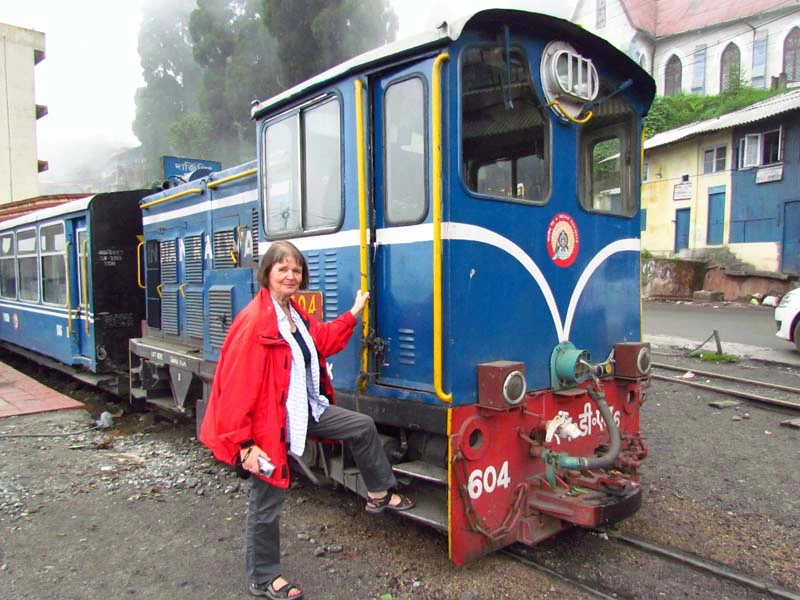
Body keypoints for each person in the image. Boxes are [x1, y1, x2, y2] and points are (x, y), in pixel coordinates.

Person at [199, 240, 414, 599]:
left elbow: (323, 340)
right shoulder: (255, 322)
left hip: (301, 410)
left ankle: (378, 493)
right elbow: (236, 387)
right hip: (267, 423)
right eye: (282, 269)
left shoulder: (293, 315)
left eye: (296, 270)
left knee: (361, 426)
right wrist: (244, 445)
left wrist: (353, 313)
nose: (291, 275)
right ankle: (264, 577)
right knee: (266, 501)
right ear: (267, 273)